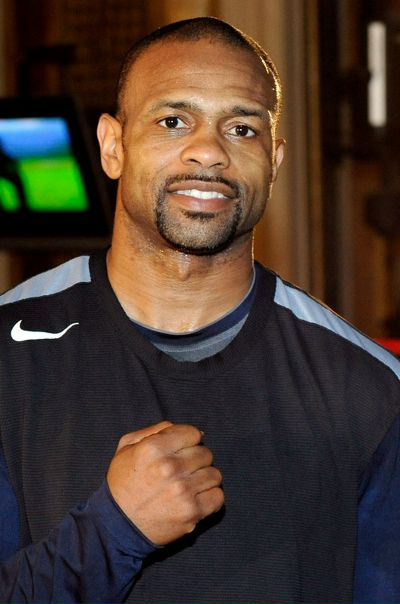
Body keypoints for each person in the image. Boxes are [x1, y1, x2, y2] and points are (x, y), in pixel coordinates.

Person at [0, 16, 399, 604]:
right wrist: (113, 532)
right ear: (113, 146)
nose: (209, 151)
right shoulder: (8, 358)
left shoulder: (370, 388)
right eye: (173, 121)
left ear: (274, 161)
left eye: (241, 128)